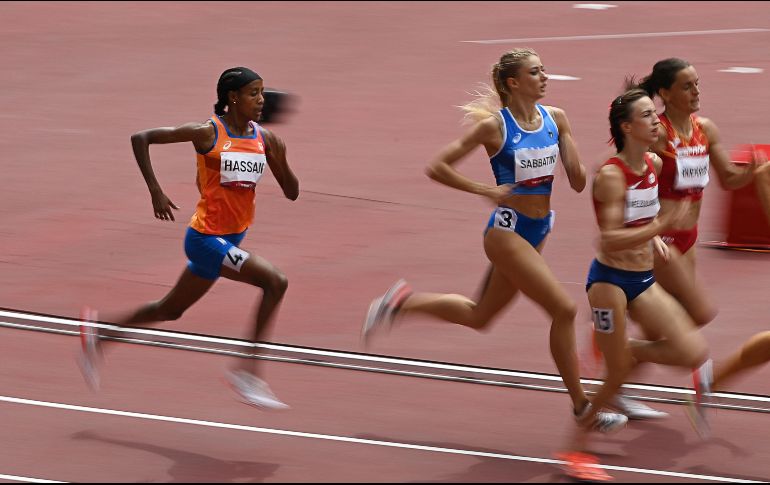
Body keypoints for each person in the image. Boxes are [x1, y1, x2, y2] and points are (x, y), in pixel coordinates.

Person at [362, 48, 627, 434]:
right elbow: (437, 167)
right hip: (506, 232)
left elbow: (577, 181)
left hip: (539, 229)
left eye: (544, 70)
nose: (544, 77)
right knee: (564, 310)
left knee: (480, 316)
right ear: (514, 83)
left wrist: (573, 155)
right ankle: (582, 407)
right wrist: (486, 189)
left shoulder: (556, 119)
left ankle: (401, 303)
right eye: (535, 72)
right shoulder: (494, 128)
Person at [78, 67, 299, 410]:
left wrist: (279, 156)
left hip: (231, 239)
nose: (261, 100)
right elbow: (141, 138)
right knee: (275, 282)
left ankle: (100, 335)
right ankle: (248, 373)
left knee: (170, 311)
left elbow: (292, 193)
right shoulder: (207, 133)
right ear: (232, 98)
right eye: (254, 93)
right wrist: (156, 192)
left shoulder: (264, 139)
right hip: (205, 239)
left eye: (263, 93)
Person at [561, 88, 711, 478]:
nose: (654, 121)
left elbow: (643, 212)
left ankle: (625, 348)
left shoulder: (652, 165)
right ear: (627, 127)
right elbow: (607, 238)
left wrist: (655, 233)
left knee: (691, 351)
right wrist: (660, 226)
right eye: (646, 116)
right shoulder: (611, 174)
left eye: (653, 113)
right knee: (615, 373)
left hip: (642, 279)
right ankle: (576, 450)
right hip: (609, 281)